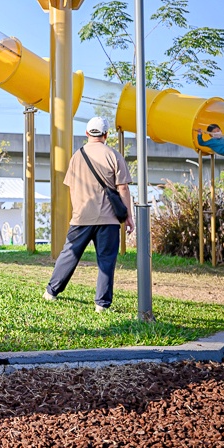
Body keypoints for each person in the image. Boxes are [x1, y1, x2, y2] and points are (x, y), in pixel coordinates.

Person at [43, 117, 135, 312]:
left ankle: (51, 292)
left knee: (70, 254)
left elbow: (71, 187)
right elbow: (123, 188)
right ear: (106, 134)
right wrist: (129, 216)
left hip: (81, 217)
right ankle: (101, 305)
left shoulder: (77, 156)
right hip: (109, 219)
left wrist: (78, 209)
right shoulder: (114, 155)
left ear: (87, 133)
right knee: (106, 260)